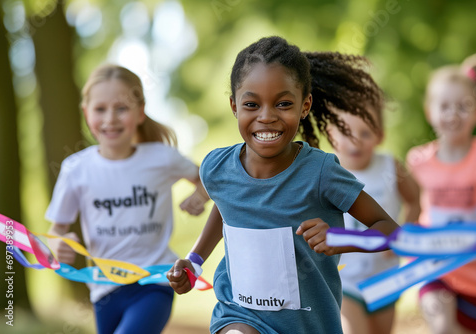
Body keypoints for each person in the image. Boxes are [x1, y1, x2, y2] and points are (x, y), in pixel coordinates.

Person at [166, 36, 400, 334]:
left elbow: (390, 229)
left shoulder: (321, 172)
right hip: (239, 315)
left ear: (305, 106)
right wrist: (194, 261)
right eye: (252, 104)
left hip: (310, 324)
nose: (266, 116)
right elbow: (225, 208)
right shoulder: (217, 167)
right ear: (234, 106)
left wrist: (341, 239)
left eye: (283, 104)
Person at [45, 64, 210, 334]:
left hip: (154, 283)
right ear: (86, 113)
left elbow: (208, 179)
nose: (110, 119)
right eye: (100, 109)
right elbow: (56, 231)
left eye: (121, 108)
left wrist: (200, 196)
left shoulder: (161, 158)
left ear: (140, 111)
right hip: (103, 291)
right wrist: (59, 244)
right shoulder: (75, 169)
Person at [303, 51, 421, 334]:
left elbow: (415, 199)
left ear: (379, 134)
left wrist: (404, 234)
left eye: (365, 133)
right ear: (331, 133)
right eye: (347, 133)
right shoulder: (326, 169)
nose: (356, 142)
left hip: (386, 275)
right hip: (346, 277)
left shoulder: (391, 165)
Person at [406, 54, 476, 334]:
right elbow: (409, 208)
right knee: (442, 327)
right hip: (434, 269)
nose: (452, 114)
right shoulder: (417, 161)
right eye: (444, 106)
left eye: (463, 106)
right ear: (429, 111)